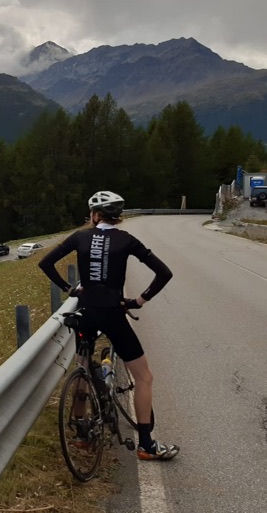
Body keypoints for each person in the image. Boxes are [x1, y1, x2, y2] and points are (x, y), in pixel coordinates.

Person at [38, 190, 179, 461]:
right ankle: (147, 445)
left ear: (94, 215)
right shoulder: (126, 240)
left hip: (87, 311)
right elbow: (164, 273)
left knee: (82, 366)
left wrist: (70, 289)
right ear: (117, 217)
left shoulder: (80, 237)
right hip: (113, 313)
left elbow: (46, 263)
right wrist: (139, 300)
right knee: (143, 377)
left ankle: (81, 436)